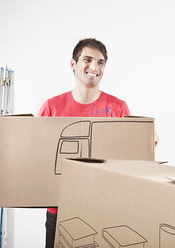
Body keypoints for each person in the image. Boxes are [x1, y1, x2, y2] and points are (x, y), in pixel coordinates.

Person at [38, 38, 131, 248]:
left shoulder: (117, 108)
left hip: (103, 208)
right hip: (59, 209)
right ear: (73, 64)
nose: (94, 67)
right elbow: (37, 156)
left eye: (100, 62)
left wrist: (146, 140)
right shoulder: (52, 107)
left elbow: (130, 157)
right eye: (87, 60)